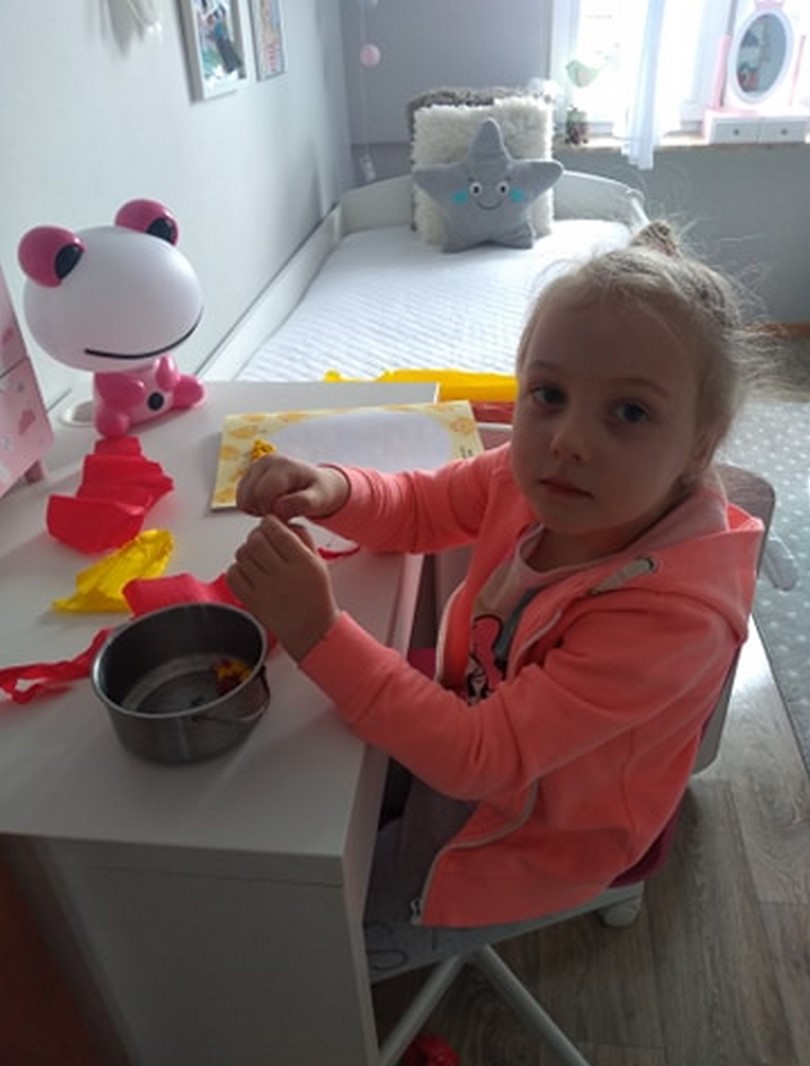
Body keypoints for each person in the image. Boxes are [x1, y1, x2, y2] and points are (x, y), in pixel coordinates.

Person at [226, 222, 766, 978]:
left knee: (307, 937)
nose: (568, 438)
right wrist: (333, 489)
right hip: (474, 729)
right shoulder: (531, 474)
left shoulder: (672, 617)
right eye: (549, 395)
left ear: (701, 446)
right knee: (286, 799)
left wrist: (317, 631)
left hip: (530, 838)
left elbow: (479, 760)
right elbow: (421, 506)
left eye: (629, 413)